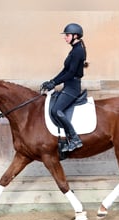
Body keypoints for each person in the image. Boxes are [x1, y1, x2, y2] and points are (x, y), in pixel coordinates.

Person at [41, 23, 89, 152]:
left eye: (67, 35)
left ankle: (74, 138)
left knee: (56, 110)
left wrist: (55, 83)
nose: (65, 37)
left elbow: (71, 73)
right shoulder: (74, 49)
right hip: (69, 85)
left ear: (75, 36)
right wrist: (52, 81)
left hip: (73, 87)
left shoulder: (78, 50)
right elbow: (65, 70)